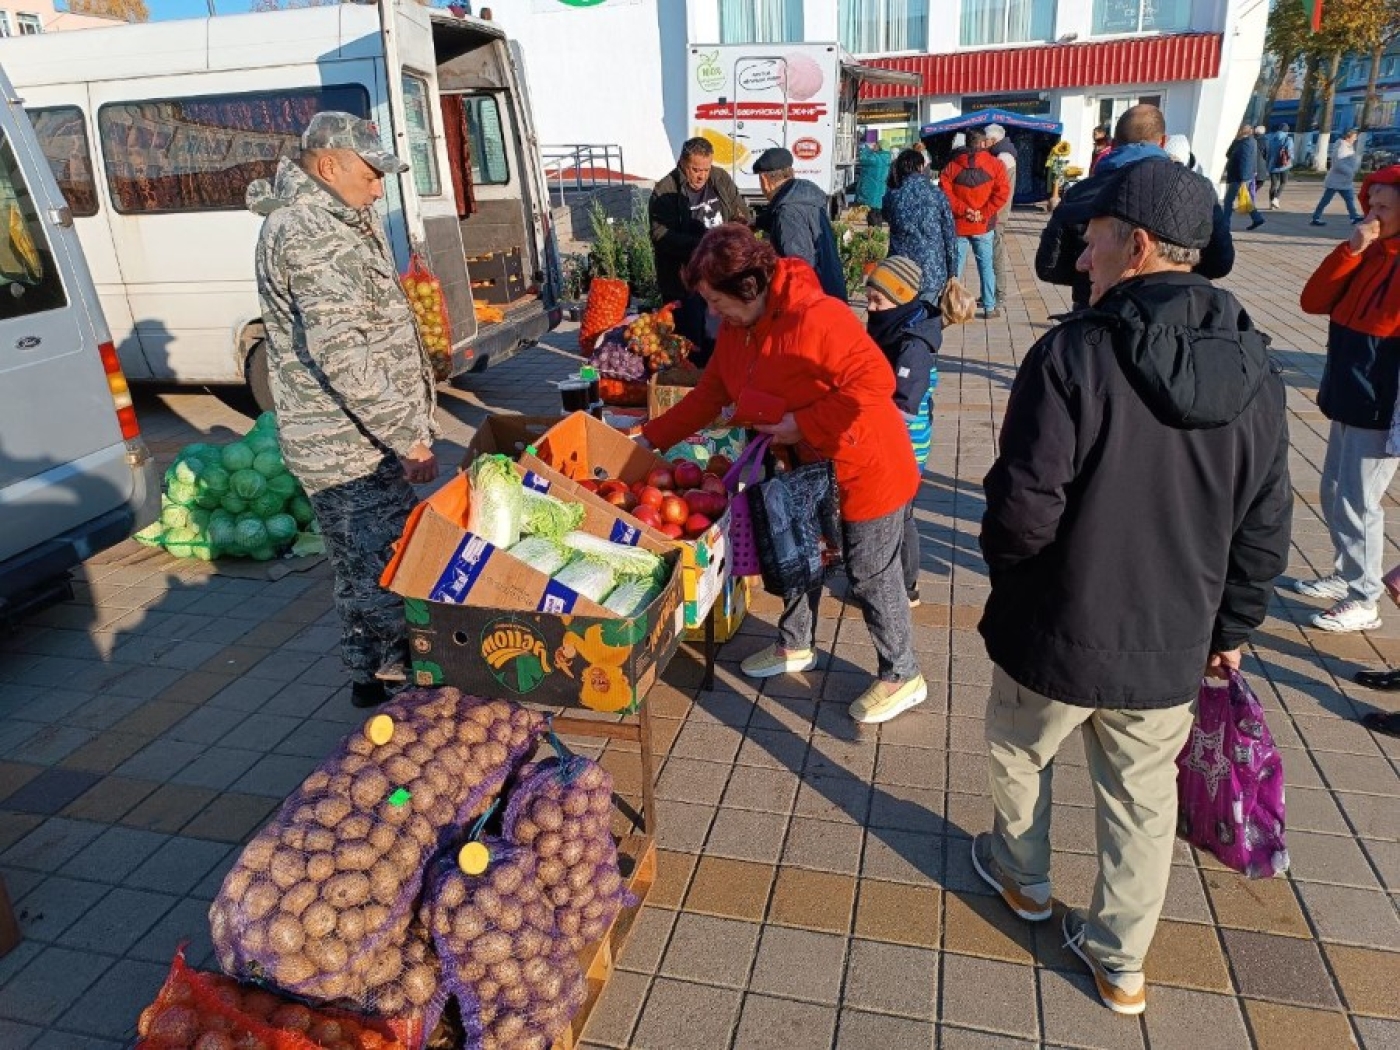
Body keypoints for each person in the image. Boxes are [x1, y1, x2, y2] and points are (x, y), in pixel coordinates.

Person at [976, 156, 1291, 1016]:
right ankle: (1121, 963)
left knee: (1020, 750)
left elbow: (1022, 507)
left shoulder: (1072, 354)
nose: (1081, 259)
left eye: (1092, 242)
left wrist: (1013, 581)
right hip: (1173, 643)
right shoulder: (1259, 371)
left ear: (1139, 245)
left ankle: (1023, 879)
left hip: (1055, 627)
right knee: (1143, 802)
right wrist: (1232, 629)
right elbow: (1265, 525)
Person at [638, 223, 926, 724]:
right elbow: (709, 395)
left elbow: (876, 383)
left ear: (747, 287)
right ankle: (796, 643)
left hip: (865, 462)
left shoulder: (816, 317)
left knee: (869, 572)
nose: (712, 313)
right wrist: (649, 439)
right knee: (800, 553)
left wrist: (803, 424)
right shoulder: (738, 330)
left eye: (715, 300)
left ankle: (903, 673)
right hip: (805, 467)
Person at [249, 112, 440, 709]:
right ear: (329, 166)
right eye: (371, 174)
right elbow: (344, 355)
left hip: (357, 436)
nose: (379, 188)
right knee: (385, 565)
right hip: (344, 443)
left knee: (361, 561)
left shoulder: (335, 217)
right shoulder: (308, 231)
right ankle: (403, 689)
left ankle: (366, 676)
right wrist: (408, 436)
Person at [1294, 165, 1400, 632]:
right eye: (1370, 203)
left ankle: (1364, 598)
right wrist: (1351, 250)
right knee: (1334, 491)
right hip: (1348, 389)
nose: (1372, 214)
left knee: (1359, 500)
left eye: (1384, 207)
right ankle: (1347, 573)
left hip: (1382, 401)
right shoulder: (1369, 250)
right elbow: (1313, 301)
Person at [1038, 105, 1235, 309]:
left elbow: (1049, 266)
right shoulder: (1198, 189)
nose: (1083, 262)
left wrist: (1094, 276)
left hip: (1095, 309)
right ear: (1163, 142)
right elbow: (1220, 262)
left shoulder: (1080, 191)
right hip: (1172, 309)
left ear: (1114, 144)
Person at [863, 256, 940, 607]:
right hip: (887, 437)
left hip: (904, 444)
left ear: (901, 298)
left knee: (901, 513)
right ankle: (884, 573)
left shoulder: (913, 345)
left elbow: (904, 407)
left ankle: (907, 584)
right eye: (869, 299)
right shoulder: (893, 329)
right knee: (889, 511)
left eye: (878, 301)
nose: (870, 308)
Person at [648, 137, 750, 305]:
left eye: (706, 169)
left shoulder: (720, 178)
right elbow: (660, 236)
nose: (701, 176)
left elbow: (740, 213)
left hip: (721, 274)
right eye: (695, 170)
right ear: (682, 163)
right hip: (683, 280)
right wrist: (706, 245)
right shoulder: (664, 190)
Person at [752, 147, 847, 300]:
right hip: (831, 290)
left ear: (764, 180)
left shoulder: (788, 213)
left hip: (815, 300)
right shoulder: (803, 197)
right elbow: (773, 216)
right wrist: (756, 222)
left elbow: (800, 269)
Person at [940, 128, 1010, 319]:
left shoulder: (952, 166)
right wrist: (983, 213)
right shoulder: (996, 164)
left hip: (959, 224)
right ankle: (989, 307)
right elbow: (1002, 193)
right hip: (983, 224)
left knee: (956, 267)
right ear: (983, 143)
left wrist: (964, 210)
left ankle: (952, 305)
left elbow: (945, 194)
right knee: (986, 266)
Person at [882, 148, 958, 300]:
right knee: (927, 311)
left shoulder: (893, 195)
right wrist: (953, 271)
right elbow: (949, 235)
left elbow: (887, 217)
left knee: (903, 310)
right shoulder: (936, 194)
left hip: (901, 267)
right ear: (921, 167)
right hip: (932, 267)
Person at [986, 123, 1018, 311]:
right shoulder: (1004, 153)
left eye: (987, 140)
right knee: (992, 253)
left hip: (998, 213)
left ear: (993, 140)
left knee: (996, 254)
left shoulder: (1003, 157)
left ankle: (999, 294)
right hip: (999, 211)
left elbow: (996, 187)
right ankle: (991, 293)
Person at [1310, 128, 1363, 226]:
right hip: (1336, 180)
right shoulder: (1342, 146)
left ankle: (1354, 216)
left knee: (1349, 199)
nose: (1355, 139)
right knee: (1326, 200)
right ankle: (1315, 218)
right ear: (1348, 137)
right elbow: (1338, 164)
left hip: (1344, 181)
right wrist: (1350, 172)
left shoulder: (1348, 146)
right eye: (1354, 137)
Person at [1224, 122, 1265, 230]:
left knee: (1228, 201)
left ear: (1242, 131)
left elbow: (1246, 161)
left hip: (1239, 176)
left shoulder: (1247, 143)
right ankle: (1257, 218)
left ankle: (1224, 224)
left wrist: (1243, 178)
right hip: (1241, 175)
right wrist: (1236, 141)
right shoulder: (1245, 141)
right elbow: (1228, 154)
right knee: (1245, 198)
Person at [854, 134, 892, 224]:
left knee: (872, 216)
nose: (874, 146)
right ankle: (876, 231)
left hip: (871, 191)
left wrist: (866, 148)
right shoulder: (886, 158)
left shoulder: (875, 158)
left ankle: (874, 232)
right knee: (877, 214)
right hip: (880, 191)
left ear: (880, 147)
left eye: (876, 145)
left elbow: (863, 158)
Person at [1266, 122, 1293, 208]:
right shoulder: (1288, 139)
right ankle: (1276, 199)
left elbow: (1268, 153)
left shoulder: (1271, 138)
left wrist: (1267, 164)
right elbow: (1290, 153)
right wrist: (1291, 159)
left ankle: (1271, 204)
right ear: (1287, 130)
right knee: (1283, 182)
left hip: (1272, 164)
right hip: (1284, 165)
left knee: (1273, 184)